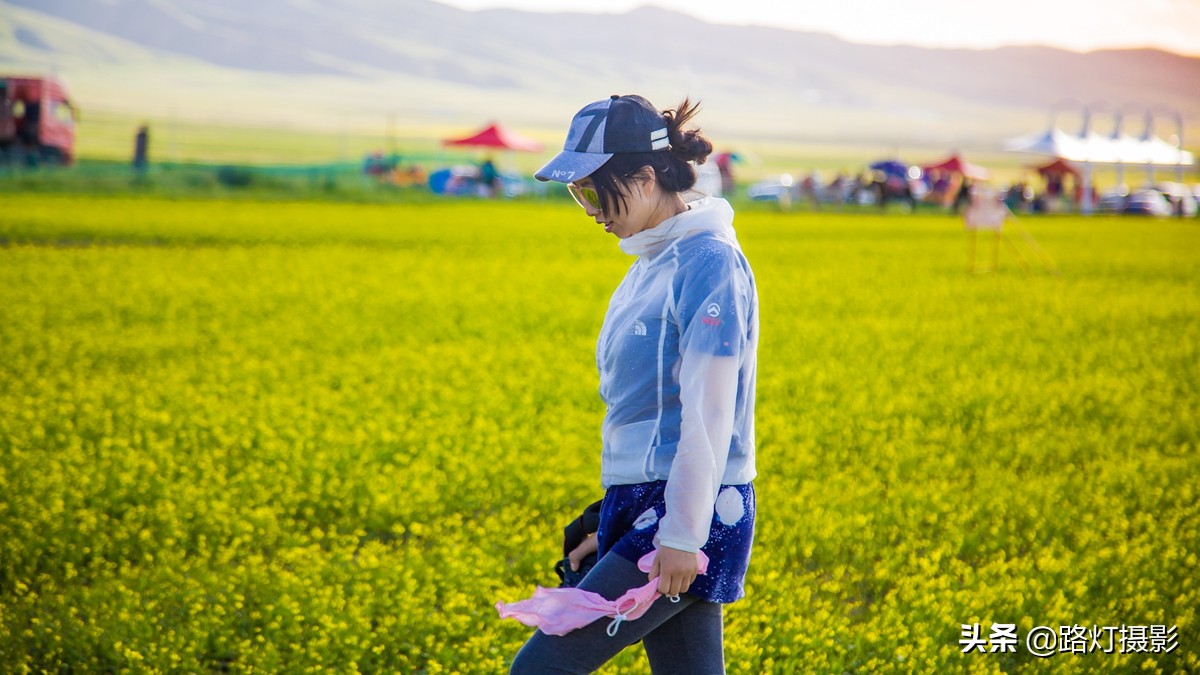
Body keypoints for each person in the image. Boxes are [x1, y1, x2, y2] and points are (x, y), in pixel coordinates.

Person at [509, 94, 759, 674]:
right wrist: (613, 513)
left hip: (688, 511)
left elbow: (709, 412)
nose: (590, 210)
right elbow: (644, 410)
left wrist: (681, 532)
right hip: (653, 503)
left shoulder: (707, 262)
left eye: (595, 191)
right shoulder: (652, 261)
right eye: (578, 195)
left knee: (540, 669)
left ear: (645, 177)